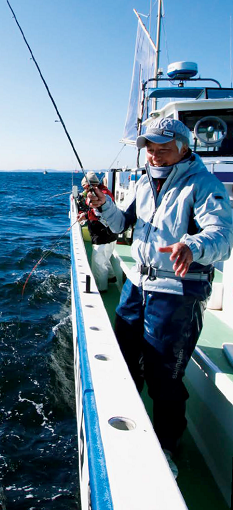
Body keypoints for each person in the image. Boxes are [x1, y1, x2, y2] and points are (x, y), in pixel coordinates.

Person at [87, 117, 232, 474]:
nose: (154, 156)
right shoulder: (143, 182)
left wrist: (192, 246)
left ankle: (167, 446)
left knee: (164, 376)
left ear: (183, 148)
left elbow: (223, 236)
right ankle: (128, 428)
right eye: (149, 150)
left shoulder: (203, 185)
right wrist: (103, 205)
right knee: (124, 361)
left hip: (177, 293)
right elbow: (122, 225)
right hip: (137, 286)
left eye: (162, 150)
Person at [77, 171, 118, 291]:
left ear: (87, 185)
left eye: (84, 187)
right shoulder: (105, 191)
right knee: (105, 257)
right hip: (112, 234)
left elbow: (98, 212)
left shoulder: (98, 195)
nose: (84, 189)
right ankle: (111, 277)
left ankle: (101, 288)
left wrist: (84, 216)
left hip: (102, 236)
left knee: (98, 262)